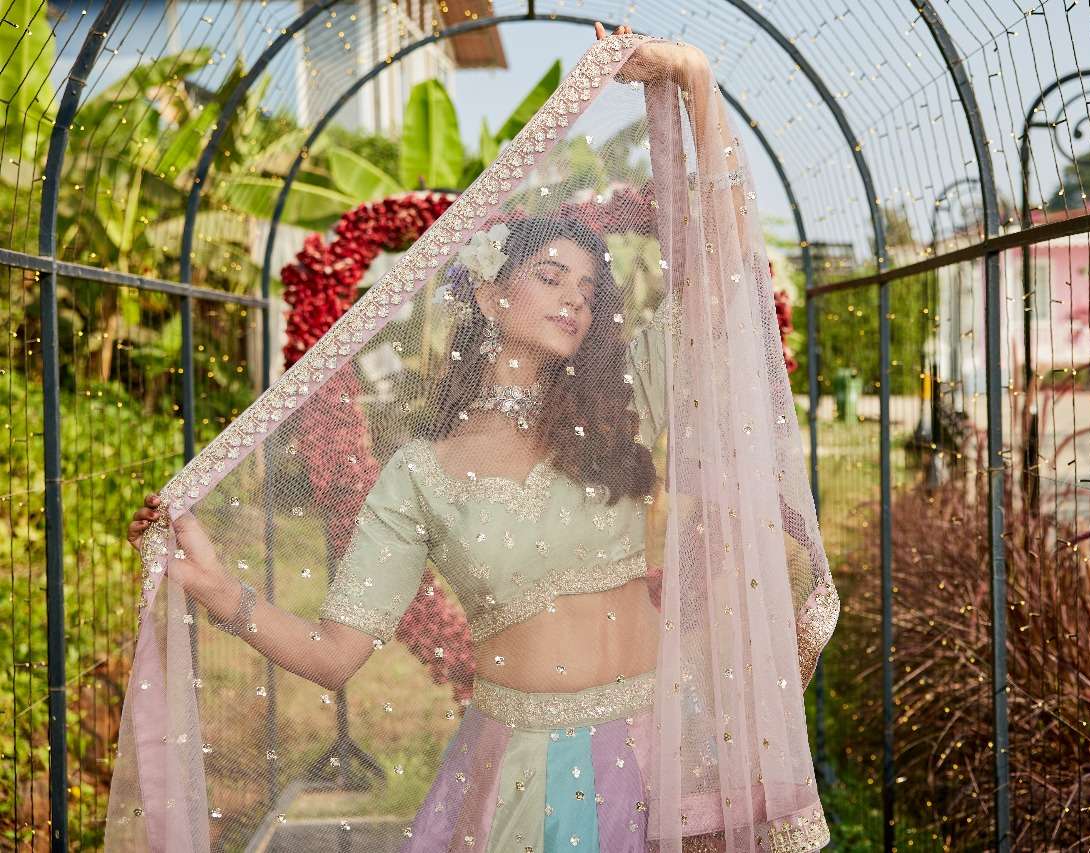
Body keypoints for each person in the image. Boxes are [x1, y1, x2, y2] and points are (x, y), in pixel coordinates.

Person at [114, 24, 837, 853]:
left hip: (661, 746)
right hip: (525, 779)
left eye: (589, 288)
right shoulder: (420, 474)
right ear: (491, 297)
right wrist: (219, 591)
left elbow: (726, 268)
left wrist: (695, 84)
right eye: (550, 276)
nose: (575, 298)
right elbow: (336, 652)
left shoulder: (623, 403)